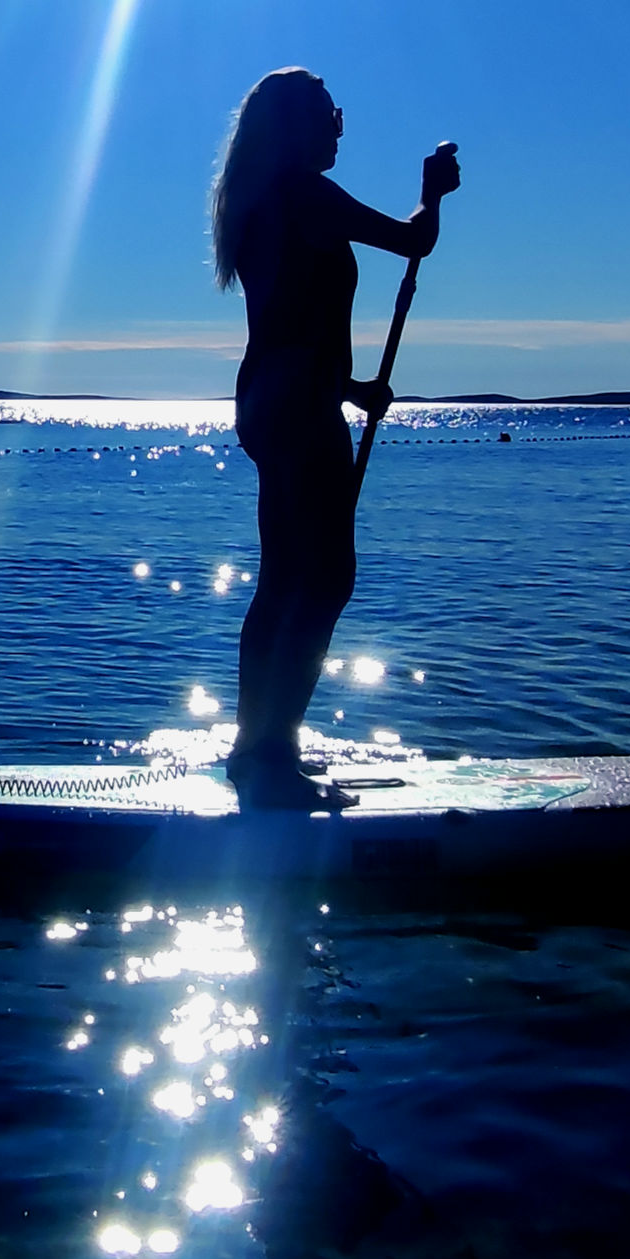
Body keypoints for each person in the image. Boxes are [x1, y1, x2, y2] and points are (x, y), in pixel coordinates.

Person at [211, 67, 460, 809]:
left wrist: (351, 389)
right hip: (296, 406)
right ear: (294, 125)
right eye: (328, 114)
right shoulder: (304, 193)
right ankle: (273, 753)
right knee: (322, 579)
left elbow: (293, 322)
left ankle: (258, 747)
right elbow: (415, 239)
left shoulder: (258, 201)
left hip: (268, 399)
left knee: (287, 577)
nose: (339, 127)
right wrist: (434, 192)